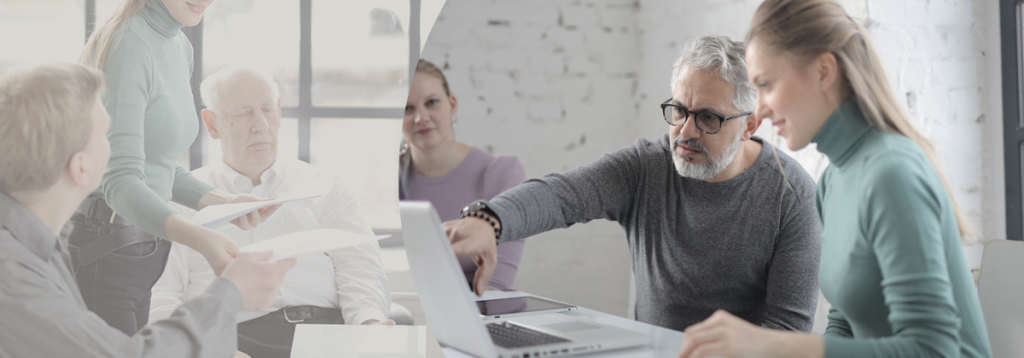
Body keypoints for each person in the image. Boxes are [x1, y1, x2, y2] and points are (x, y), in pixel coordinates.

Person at [676, 1, 992, 357]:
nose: (760, 109)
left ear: (824, 71)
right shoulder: (831, 181)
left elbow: (934, 350)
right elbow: (846, 325)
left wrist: (772, 344)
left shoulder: (892, 173)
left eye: (767, 84)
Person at [444, 36, 822, 332]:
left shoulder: (794, 196)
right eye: (678, 110)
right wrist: (489, 220)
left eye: (708, 117)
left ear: (750, 125)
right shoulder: (646, 167)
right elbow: (563, 195)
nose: (685, 132)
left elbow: (788, 331)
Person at [0, 62, 295, 358]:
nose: (126, 146)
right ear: (81, 167)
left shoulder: (36, 243)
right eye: (107, 135)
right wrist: (231, 292)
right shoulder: (12, 276)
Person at [149, 67, 400, 358]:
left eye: (268, 109)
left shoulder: (323, 185)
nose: (261, 125)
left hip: (328, 336)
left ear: (279, 112)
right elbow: (162, 296)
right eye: (243, 114)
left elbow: (361, 268)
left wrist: (369, 325)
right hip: (233, 343)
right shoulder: (184, 199)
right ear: (212, 123)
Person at [72, 0, 278, 335]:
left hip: (142, 247)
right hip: (107, 248)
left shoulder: (180, 45)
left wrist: (225, 203)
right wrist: (199, 237)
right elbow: (121, 180)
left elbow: (157, 167)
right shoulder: (129, 43)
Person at [400, 59, 526, 292]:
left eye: (432, 103)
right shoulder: (392, 180)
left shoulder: (501, 175)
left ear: (452, 105)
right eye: (407, 108)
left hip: (486, 320)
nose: (421, 118)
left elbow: (495, 287)